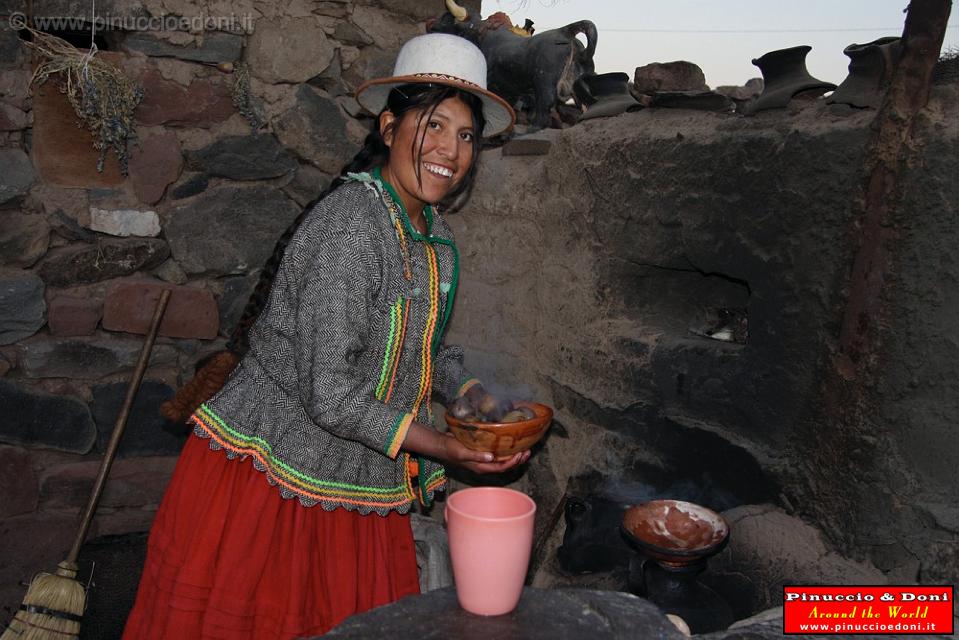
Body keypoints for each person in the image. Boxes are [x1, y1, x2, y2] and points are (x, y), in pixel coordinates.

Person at [122, 33, 521, 639]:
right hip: (275, 481)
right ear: (390, 127)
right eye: (434, 125)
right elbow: (329, 391)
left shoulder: (430, 234)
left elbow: (418, 347)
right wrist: (443, 446)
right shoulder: (350, 228)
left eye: (466, 136)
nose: (452, 150)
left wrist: (473, 394)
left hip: (355, 475)